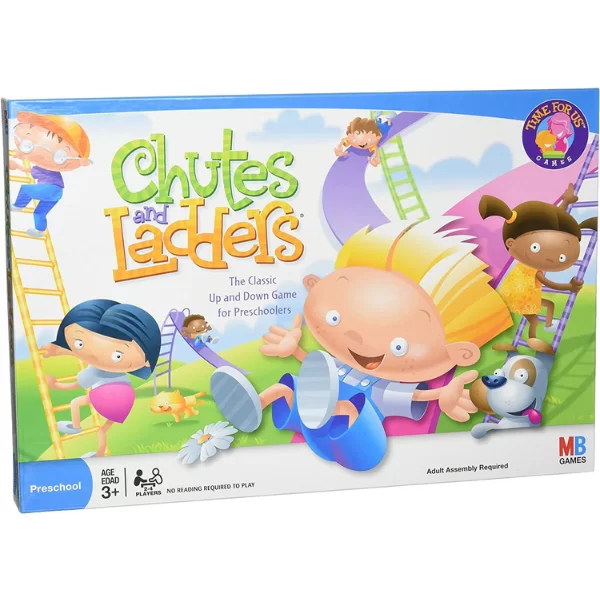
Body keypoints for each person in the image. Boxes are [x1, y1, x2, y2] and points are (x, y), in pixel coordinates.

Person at [210, 218, 512, 471]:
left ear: (459, 352)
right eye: (335, 317)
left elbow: (416, 396)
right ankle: (253, 406)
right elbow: (315, 368)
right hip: (311, 420)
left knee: (345, 406)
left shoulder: (382, 387)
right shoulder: (335, 367)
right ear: (314, 285)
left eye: (398, 346)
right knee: (285, 388)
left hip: (357, 441)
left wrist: (442, 395)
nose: (358, 340)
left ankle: (327, 409)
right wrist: (295, 350)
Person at [480, 185, 597, 353]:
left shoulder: (526, 264)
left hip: (520, 296)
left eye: (561, 258)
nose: (553, 259)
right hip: (521, 299)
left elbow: (554, 221)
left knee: (549, 305)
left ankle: (547, 325)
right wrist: (569, 287)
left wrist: (565, 201)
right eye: (535, 248)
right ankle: (532, 339)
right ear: (511, 243)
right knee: (533, 321)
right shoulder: (534, 269)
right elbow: (550, 283)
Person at [42, 299, 161, 457]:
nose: (97, 355)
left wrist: (55, 384)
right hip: (125, 401)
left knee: (75, 402)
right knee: (102, 430)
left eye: (118, 356)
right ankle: (99, 454)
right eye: (79, 343)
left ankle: (75, 426)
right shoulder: (117, 370)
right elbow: (91, 354)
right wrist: (60, 350)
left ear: (146, 361)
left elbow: (74, 384)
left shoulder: (94, 371)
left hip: (108, 399)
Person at [9, 112, 92, 237]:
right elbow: (29, 170)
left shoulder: (48, 167)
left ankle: (19, 206)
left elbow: (29, 169)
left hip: (51, 189)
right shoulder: (43, 167)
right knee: (39, 213)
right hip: (56, 193)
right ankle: (40, 231)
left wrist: (81, 161)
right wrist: (17, 164)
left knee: (25, 189)